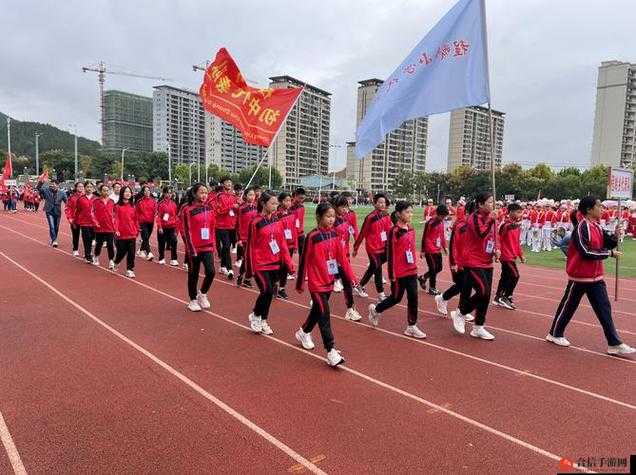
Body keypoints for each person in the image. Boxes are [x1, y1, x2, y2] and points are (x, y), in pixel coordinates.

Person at [547, 196, 635, 355]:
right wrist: (609, 253)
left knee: (604, 308)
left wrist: (615, 236)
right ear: (589, 209)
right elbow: (585, 251)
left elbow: (607, 242)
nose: (602, 209)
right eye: (599, 206)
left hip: (596, 277)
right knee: (569, 306)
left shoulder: (596, 226)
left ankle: (614, 343)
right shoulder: (582, 227)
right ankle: (554, 333)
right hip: (580, 276)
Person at [295, 202, 357, 366]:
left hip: (329, 281)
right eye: (328, 216)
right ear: (319, 217)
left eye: (333, 216)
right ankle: (330, 351)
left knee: (317, 311)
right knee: (324, 315)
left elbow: (342, 258)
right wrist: (300, 283)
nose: (331, 219)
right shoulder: (312, 237)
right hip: (316, 284)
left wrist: (352, 277)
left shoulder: (335, 235)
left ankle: (304, 331)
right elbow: (304, 260)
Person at [368, 201, 427, 339]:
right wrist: (391, 274)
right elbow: (391, 254)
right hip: (399, 272)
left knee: (413, 297)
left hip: (411, 270)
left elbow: (411, 249)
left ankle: (411, 326)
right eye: (407, 212)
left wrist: (415, 265)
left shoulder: (411, 228)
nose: (410, 214)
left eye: (411, 212)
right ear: (398, 214)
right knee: (396, 298)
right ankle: (376, 310)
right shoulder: (394, 232)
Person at [450, 191, 500, 340]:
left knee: (485, 296)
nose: (492, 205)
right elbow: (481, 233)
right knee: (483, 291)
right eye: (490, 202)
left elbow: (494, 235)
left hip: (487, 261)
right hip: (473, 260)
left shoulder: (492, 218)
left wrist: (497, 249)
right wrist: (491, 220)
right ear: (480, 204)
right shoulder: (474, 218)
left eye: (493, 202)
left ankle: (478, 327)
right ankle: (461, 313)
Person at [245, 192, 295, 335]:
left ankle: (264, 320)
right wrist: (250, 268)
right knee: (265, 291)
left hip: (275, 263)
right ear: (263, 204)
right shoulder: (255, 222)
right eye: (272, 203)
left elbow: (282, 244)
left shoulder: (277, 220)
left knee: (270, 293)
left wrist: (289, 263)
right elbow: (250, 246)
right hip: (260, 264)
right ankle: (255, 315)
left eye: (276, 203)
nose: (275, 206)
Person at [434, 201, 475, 320]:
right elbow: (453, 245)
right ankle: (445, 300)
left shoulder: (474, 225)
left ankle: (459, 308)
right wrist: (453, 262)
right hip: (459, 261)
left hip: (470, 261)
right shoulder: (461, 225)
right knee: (462, 285)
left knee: (466, 286)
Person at [181, 183, 216, 312]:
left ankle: (203, 293)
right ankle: (193, 299)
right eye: (201, 192)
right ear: (194, 193)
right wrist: (191, 248)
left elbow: (212, 227)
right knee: (193, 274)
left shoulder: (209, 208)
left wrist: (213, 245)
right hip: (194, 248)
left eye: (206, 192)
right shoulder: (187, 209)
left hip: (207, 246)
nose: (204, 195)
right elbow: (185, 231)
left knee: (211, 272)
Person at [353, 193, 393, 301]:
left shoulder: (386, 216)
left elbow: (389, 231)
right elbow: (362, 233)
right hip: (372, 248)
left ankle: (359, 286)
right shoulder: (370, 217)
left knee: (373, 267)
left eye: (383, 202)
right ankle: (381, 295)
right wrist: (356, 247)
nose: (382, 204)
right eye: (379, 202)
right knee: (378, 268)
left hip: (383, 247)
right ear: (375, 203)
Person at [332, 195, 362, 321]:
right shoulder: (332, 222)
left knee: (347, 283)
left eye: (346, 207)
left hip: (343, 256)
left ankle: (350, 310)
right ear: (335, 207)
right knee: (328, 283)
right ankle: (316, 301)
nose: (345, 209)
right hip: (333, 258)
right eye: (342, 207)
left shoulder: (344, 220)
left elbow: (347, 235)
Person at [493, 203, 525, 309]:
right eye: (518, 212)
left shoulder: (517, 226)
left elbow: (517, 242)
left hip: (512, 255)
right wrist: (516, 224)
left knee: (505, 276)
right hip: (506, 256)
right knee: (515, 275)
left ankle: (498, 297)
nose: (520, 214)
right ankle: (506, 296)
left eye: (520, 212)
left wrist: (521, 255)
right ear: (510, 212)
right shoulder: (505, 224)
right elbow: (508, 227)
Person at [418, 204, 449, 295]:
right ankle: (432, 288)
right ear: (438, 214)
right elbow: (425, 236)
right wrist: (423, 250)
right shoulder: (430, 223)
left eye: (444, 216)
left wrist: (445, 247)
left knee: (439, 268)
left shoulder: (441, 222)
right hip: (429, 249)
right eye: (442, 216)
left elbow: (442, 235)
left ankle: (423, 277)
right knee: (433, 268)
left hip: (437, 249)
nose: (443, 218)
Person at [113, 185, 139, 278]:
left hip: (132, 233)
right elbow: (116, 219)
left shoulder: (133, 206)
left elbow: (135, 220)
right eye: (126, 192)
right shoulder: (117, 206)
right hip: (121, 233)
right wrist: (116, 230)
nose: (128, 194)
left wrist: (137, 230)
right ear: (122, 193)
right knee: (121, 252)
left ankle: (130, 269)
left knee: (131, 253)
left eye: (129, 192)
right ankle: (116, 261)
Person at [215, 176, 238, 279]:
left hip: (231, 226)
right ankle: (230, 269)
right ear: (223, 184)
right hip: (221, 226)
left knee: (226, 247)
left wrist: (238, 206)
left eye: (230, 182)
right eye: (227, 182)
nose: (229, 184)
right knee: (226, 245)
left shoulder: (234, 197)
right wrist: (231, 207)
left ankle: (222, 266)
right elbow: (219, 211)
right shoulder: (219, 196)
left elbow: (237, 211)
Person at [275, 192, 297, 299]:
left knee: (285, 267)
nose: (288, 203)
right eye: (286, 200)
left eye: (290, 200)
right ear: (280, 201)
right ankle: (275, 283)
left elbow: (294, 229)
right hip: (280, 245)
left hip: (290, 245)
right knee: (278, 266)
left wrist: (295, 243)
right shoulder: (276, 214)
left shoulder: (292, 213)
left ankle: (281, 288)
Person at [235, 187, 258, 288]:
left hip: (255, 237)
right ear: (245, 196)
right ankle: (243, 276)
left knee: (251, 259)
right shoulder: (241, 208)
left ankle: (246, 278)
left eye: (253, 195)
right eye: (250, 195)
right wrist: (239, 239)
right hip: (244, 237)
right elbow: (238, 224)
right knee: (247, 258)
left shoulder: (256, 208)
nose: (252, 197)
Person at [36, 176, 67, 247]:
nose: (53, 185)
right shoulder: (46, 190)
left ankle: (53, 238)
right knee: (52, 226)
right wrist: (41, 182)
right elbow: (38, 188)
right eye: (52, 184)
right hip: (49, 211)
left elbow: (67, 202)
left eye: (54, 184)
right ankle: (54, 240)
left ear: (57, 185)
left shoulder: (62, 193)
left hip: (57, 212)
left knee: (56, 227)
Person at [92, 183, 116, 269]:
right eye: (104, 190)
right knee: (99, 243)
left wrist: (114, 223)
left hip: (110, 227)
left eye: (107, 190)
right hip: (99, 227)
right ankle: (96, 256)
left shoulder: (112, 202)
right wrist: (95, 222)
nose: (106, 192)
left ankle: (111, 261)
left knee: (110, 244)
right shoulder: (96, 201)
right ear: (100, 191)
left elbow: (115, 214)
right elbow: (92, 213)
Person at [74, 181, 97, 264]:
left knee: (91, 238)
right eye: (87, 187)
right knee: (86, 238)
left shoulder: (96, 199)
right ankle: (88, 255)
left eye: (91, 187)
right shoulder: (81, 199)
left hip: (94, 223)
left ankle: (88, 252)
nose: (89, 188)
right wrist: (75, 222)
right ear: (85, 188)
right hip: (84, 222)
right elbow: (78, 211)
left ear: (93, 188)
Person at [156, 187, 179, 266]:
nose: (169, 195)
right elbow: (158, 216)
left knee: (174, 242)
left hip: (171, 226)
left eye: (170, 193)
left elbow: (175, 216)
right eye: (167, 193)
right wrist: (160, 227)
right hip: (163, 227)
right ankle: (161, 258)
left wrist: (176, 229)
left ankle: (174, 258)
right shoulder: (161, 204)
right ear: (164, 193)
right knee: (162, 243)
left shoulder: (174, 204)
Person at [135, 184, 157, 260]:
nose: (147, 192)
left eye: (148, 190)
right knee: (146, 237)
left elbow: (155, 211)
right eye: (145, 191)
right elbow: (136, 213)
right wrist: (137, 224)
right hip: (142, 222)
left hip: (150, 222)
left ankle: (140, 250)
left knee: (146, 238)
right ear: (143, 192)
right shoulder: (139, 202)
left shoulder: (153, 201)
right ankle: (149, 253)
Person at [65, 182, 83, 256]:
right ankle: (75, 249)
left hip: (85, 220)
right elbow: (67, 208)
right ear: (76, 188)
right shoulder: (72, 197)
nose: (81, 188)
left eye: (82, 186)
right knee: (76, 235)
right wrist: (70, 218)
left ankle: (87, 251)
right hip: (75, 220)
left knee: (86, 236)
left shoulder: (85, 197)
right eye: (79, 186)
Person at [289, 187, 306, 260]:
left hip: (300, 234)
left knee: (302, 256)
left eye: (303, 198)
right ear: (295, 196)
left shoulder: (302, 207)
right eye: (300, 198)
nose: (301, 200)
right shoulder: (289, 207)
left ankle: (301, 271)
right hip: (291, 235)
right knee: (289, 254)